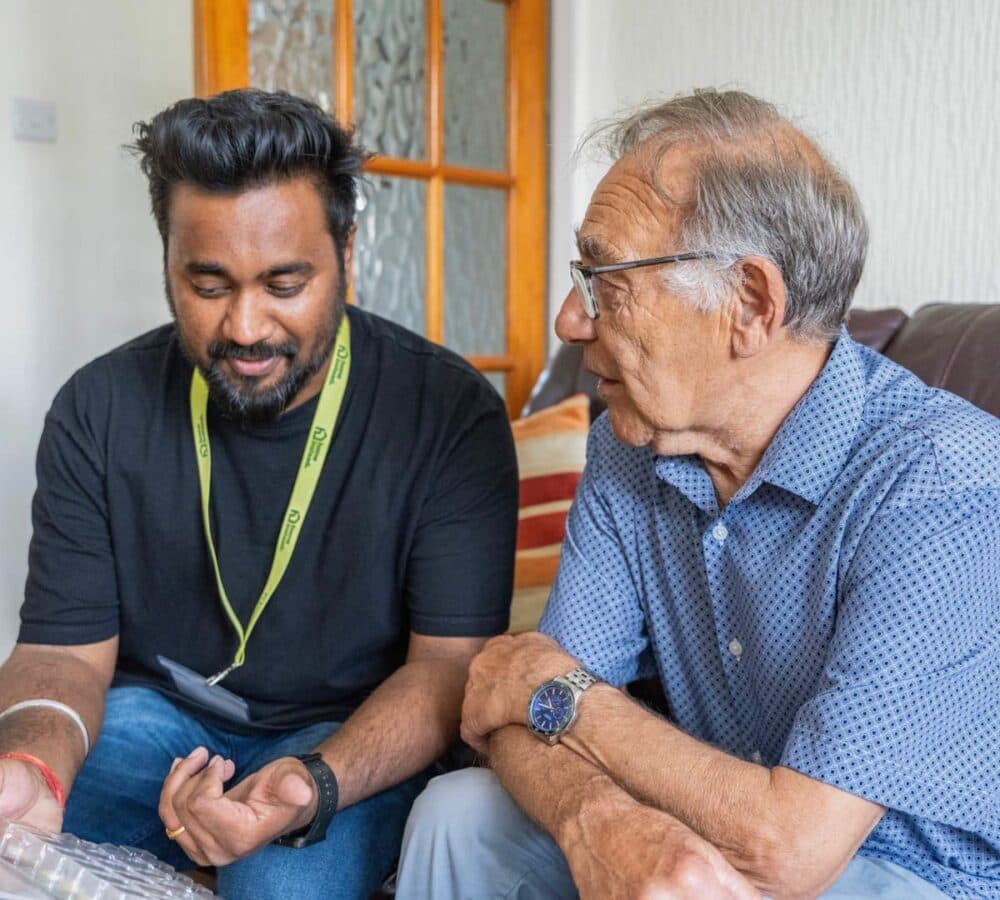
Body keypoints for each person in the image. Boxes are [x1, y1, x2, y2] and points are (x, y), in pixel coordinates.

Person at [396, 89, 1000, 899]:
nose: (570, 321)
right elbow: (511, 714)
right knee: (458, 813)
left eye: (606, 281)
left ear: (750, 304)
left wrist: (559, 694)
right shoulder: (631, 442)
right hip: (706, 823)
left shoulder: (941, 481)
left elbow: (791, 848)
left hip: (914, 874)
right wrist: (598, 822)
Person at [0, 89, 518, 900]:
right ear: (168, 260)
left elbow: (449, 669)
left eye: (284, 284)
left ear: (345, 250)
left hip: (345, 736)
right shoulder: (97, 408)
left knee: (280, 885)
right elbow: (62, 656)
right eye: (209, 286)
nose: (245, 328)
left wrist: (311, 783)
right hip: (155, 722)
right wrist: (31, 764)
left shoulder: (450, 415)